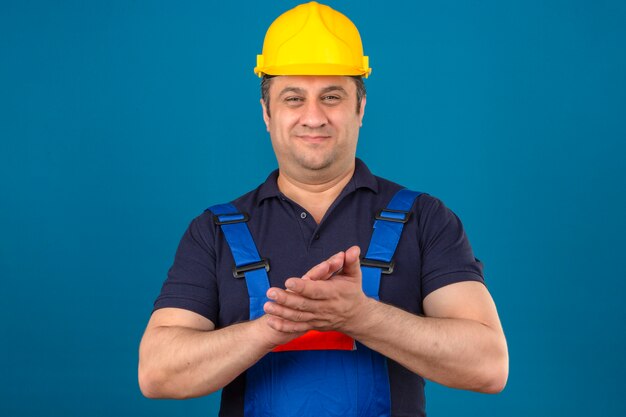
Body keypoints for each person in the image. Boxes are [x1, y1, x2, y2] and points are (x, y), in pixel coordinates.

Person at [138, 2, 508, 416]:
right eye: (294, 98)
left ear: (360, 108)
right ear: (267, 113)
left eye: (331, 96)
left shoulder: (424, 219)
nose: (313, 117)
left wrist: (361, 317)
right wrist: (273, 327)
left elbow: (488, 366)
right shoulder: (214, 231)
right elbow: (156, 373)